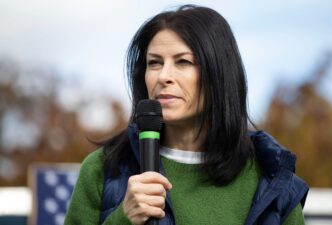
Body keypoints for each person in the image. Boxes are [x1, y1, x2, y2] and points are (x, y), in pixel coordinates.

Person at [64, 4, 309, 225]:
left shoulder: (271, 178)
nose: (163, 76)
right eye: (154, 63)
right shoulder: (103, 169)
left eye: (183, 62)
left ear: (218, 74)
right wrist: (123, 220)